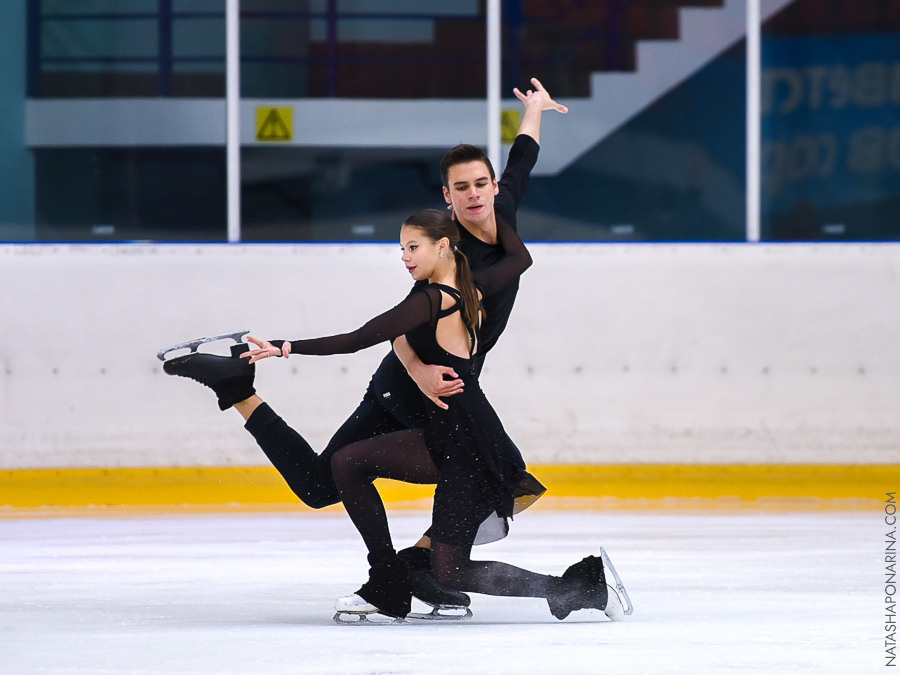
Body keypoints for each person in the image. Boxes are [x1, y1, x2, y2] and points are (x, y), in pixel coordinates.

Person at [161, 79, 568, 611]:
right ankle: (239, 389)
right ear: (446, 198)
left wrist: (533, 111)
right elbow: (399, 328)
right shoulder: (451, 252)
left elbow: (522, 160)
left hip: (447, 390)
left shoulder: (502, 206)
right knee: (323, 483)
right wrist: (419, 369)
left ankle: (421, 572)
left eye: (480, 185)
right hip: (407, 387)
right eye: (460, 188)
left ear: (492, 187)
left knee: (467, 472)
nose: (473, 195)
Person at [239, 209, 625, 622]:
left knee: (347, 462)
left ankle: (386, 578)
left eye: (413, 247)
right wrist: (418, 370)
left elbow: (360, 338)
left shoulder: (435, 298)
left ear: (443, 246)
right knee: (451, 569)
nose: (404, 257)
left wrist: (285, 347)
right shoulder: (462, 288)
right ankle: (579, 587)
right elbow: (402, 331)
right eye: (401, 248)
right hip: (462, 435)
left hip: (463, 437)